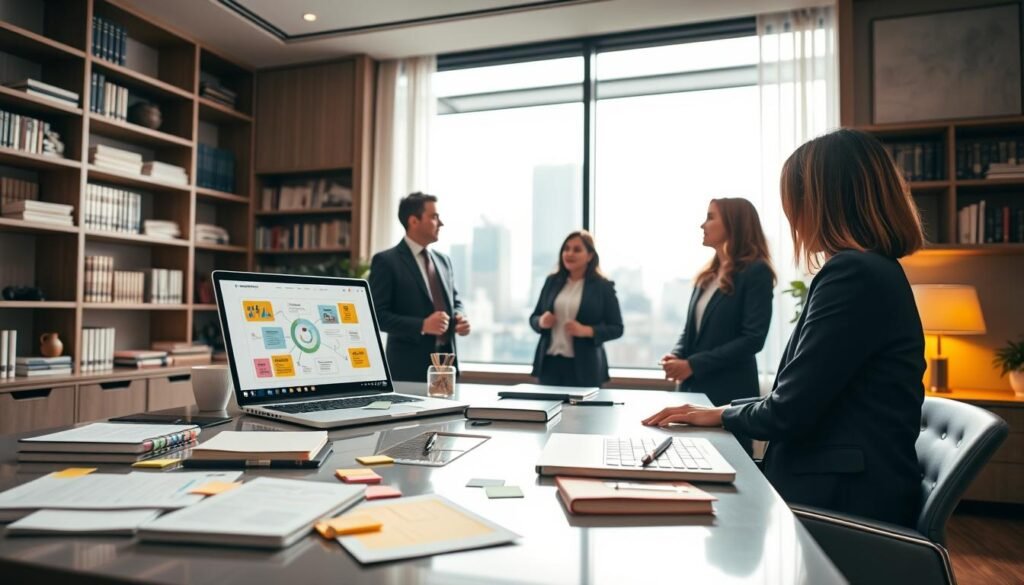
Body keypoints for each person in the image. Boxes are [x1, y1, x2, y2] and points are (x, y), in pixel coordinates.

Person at [643, 129, 926, 528]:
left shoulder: (853, 274)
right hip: (834, 480)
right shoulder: (870, 270)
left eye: (796, 203)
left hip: (839, 498)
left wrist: (720, 414)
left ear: (824, 202)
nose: (793, 217)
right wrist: (719, 412)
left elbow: (789, 410)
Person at [661, 197, 775, 408]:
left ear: (734, 223)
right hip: (692, 389)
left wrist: (692, 365)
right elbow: (690, 331)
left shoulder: (757, 272)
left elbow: (753, 339)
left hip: (728, 392)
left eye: (710, 217)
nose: (702, 225)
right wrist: (676, 356)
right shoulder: (707, 276)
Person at [369, 192, 470, 382]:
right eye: (434, 217)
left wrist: (460, 317)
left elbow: (455, 300)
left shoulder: (443, 261)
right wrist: (422, 325)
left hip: (446, 367)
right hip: (408, 370)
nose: (441, 223)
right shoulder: (386, 261)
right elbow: (377, 316)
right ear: (413, 221)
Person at [529, 230, 624, 387]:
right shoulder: (552, 281)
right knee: (548, 411)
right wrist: (541, 321)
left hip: (585, 367)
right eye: (566, 248)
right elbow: (533, 318)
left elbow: (617, 328)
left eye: (577, 249)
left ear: (590, 256)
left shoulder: (603, 286)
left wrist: (586, 331)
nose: (569, 253)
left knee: (583, 412)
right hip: (549, 364)